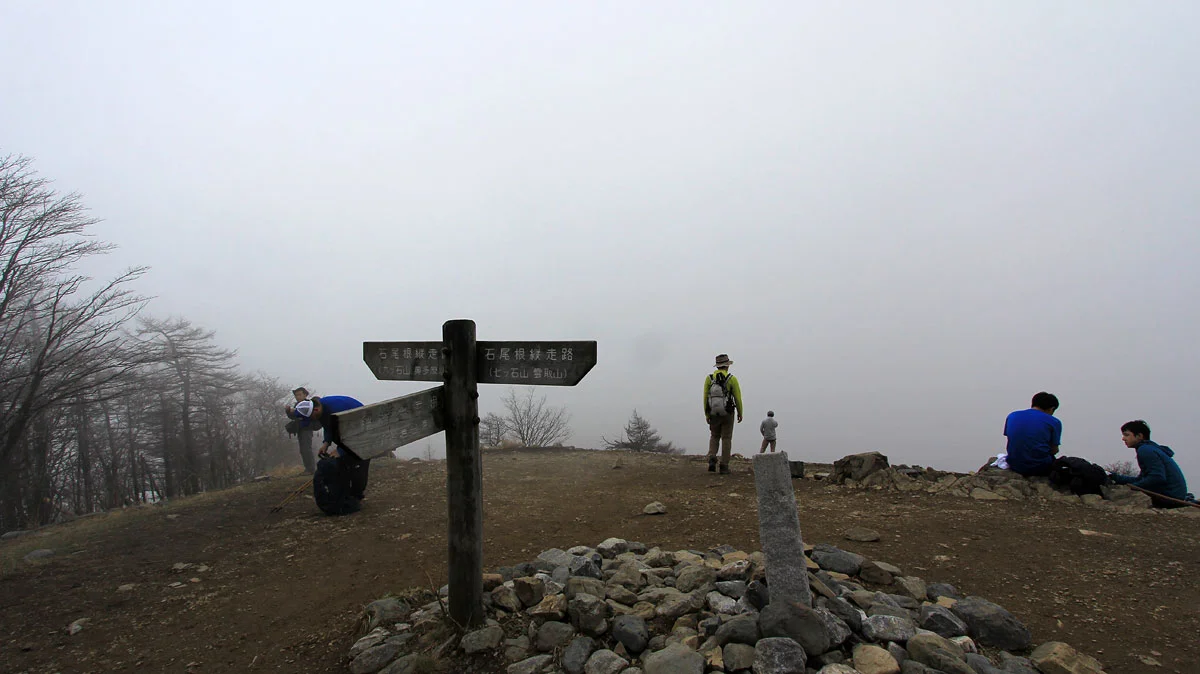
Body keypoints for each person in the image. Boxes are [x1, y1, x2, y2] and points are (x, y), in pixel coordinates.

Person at [294, 395, 370, 501]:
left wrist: (340, 451)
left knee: (358, 463)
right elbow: (328, 426)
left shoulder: (337, 409)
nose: (312, 421)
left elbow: (353, 432)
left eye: (311, 418)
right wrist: (326, 443)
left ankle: (356, 496)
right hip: (349, 434)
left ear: (315, 409)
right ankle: (347, 495)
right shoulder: (321, 410)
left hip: (364, 429)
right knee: (343, 464)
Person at [1109, 420, 1192, 508]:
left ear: (1140, 436)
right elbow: (1143, 479)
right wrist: (1116, 478)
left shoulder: (1145, 450)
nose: (1123, 438)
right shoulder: (1150, 449)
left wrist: (1131, 487)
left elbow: (1157, 478)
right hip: (1176, 495)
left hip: (1170, 498)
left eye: (1127, 435)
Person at [1003, 392, 1062, 476]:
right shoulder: (1054, 421)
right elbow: (1054, 450)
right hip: (1039, 467)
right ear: (1052, 409)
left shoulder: (1012, 416)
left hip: (1014, 464)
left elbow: (1013, 439)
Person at [703, 354, 743, 474]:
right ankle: (724, 465)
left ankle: (712, 457)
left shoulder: (709, 379)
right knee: (726, 438)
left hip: (713, 412)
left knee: (714, 436)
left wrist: (707, 414)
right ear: (727, 366)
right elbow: (738, 398)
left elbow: (705, 397)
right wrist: (740, 412)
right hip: (728, 413)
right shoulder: (732, 379)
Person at [285, 387, 317, 474]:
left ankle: (310, 469)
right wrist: (288, 412)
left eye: (299, 395)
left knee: (306, 449)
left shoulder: (308, 404)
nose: (297, 397)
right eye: (296, 395)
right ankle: (308, 468)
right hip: (300, 429)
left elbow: (305, 416)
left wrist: (294, 412)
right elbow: (294, 417)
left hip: (307, 429)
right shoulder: (298, 405)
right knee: (303, 449)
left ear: (305, 395)